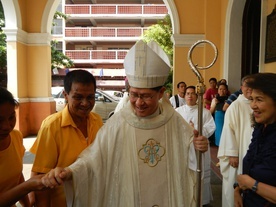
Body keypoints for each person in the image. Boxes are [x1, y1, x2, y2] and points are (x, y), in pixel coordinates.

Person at [41, 40, 209, 207]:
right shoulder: (118, 122)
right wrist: (71, 171)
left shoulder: (176, 122)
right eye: (134, 94)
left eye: (146, 96)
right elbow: (94, 158)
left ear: (161, 93)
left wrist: (196, 146)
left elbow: (190, 162)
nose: (138, 102)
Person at [29, 70, 103, 206]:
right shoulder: (51, 126)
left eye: (90, 97)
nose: (85, 103)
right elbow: (41, 178)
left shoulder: (97, 121)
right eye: (78, 97)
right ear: (66, 95)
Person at [234, 72, 276, 206]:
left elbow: (250, 180)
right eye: (251, 99)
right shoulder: (260, 130)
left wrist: (251, 184)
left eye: (259, 99)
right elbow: (251, 168)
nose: (252, 105)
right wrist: (237, 189)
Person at [0, 87, 45, 207]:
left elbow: (17, 176)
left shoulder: (15, 136)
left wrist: (27, 204)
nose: (6, 126)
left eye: (11, 117)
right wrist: (28, 186)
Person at [176, 85, 216, 206]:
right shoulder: (178, 111)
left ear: (197, 96)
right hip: (183, 148)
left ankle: (199, 200)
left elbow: (211, 127)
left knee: (199, 174)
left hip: (199, 147)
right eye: (188, 93)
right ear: (184, 95)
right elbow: (174, 128)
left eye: (193, 93)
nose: (190, 96)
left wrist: (196, 130)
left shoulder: (204, 112)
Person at [217, 75, 253, 207]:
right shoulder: (235, 106)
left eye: (252, 86)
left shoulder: (258, 104)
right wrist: (232, 153)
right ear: (241, 88)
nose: (249, 89)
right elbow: (228, 130)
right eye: (246, 86)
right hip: (238, 154)